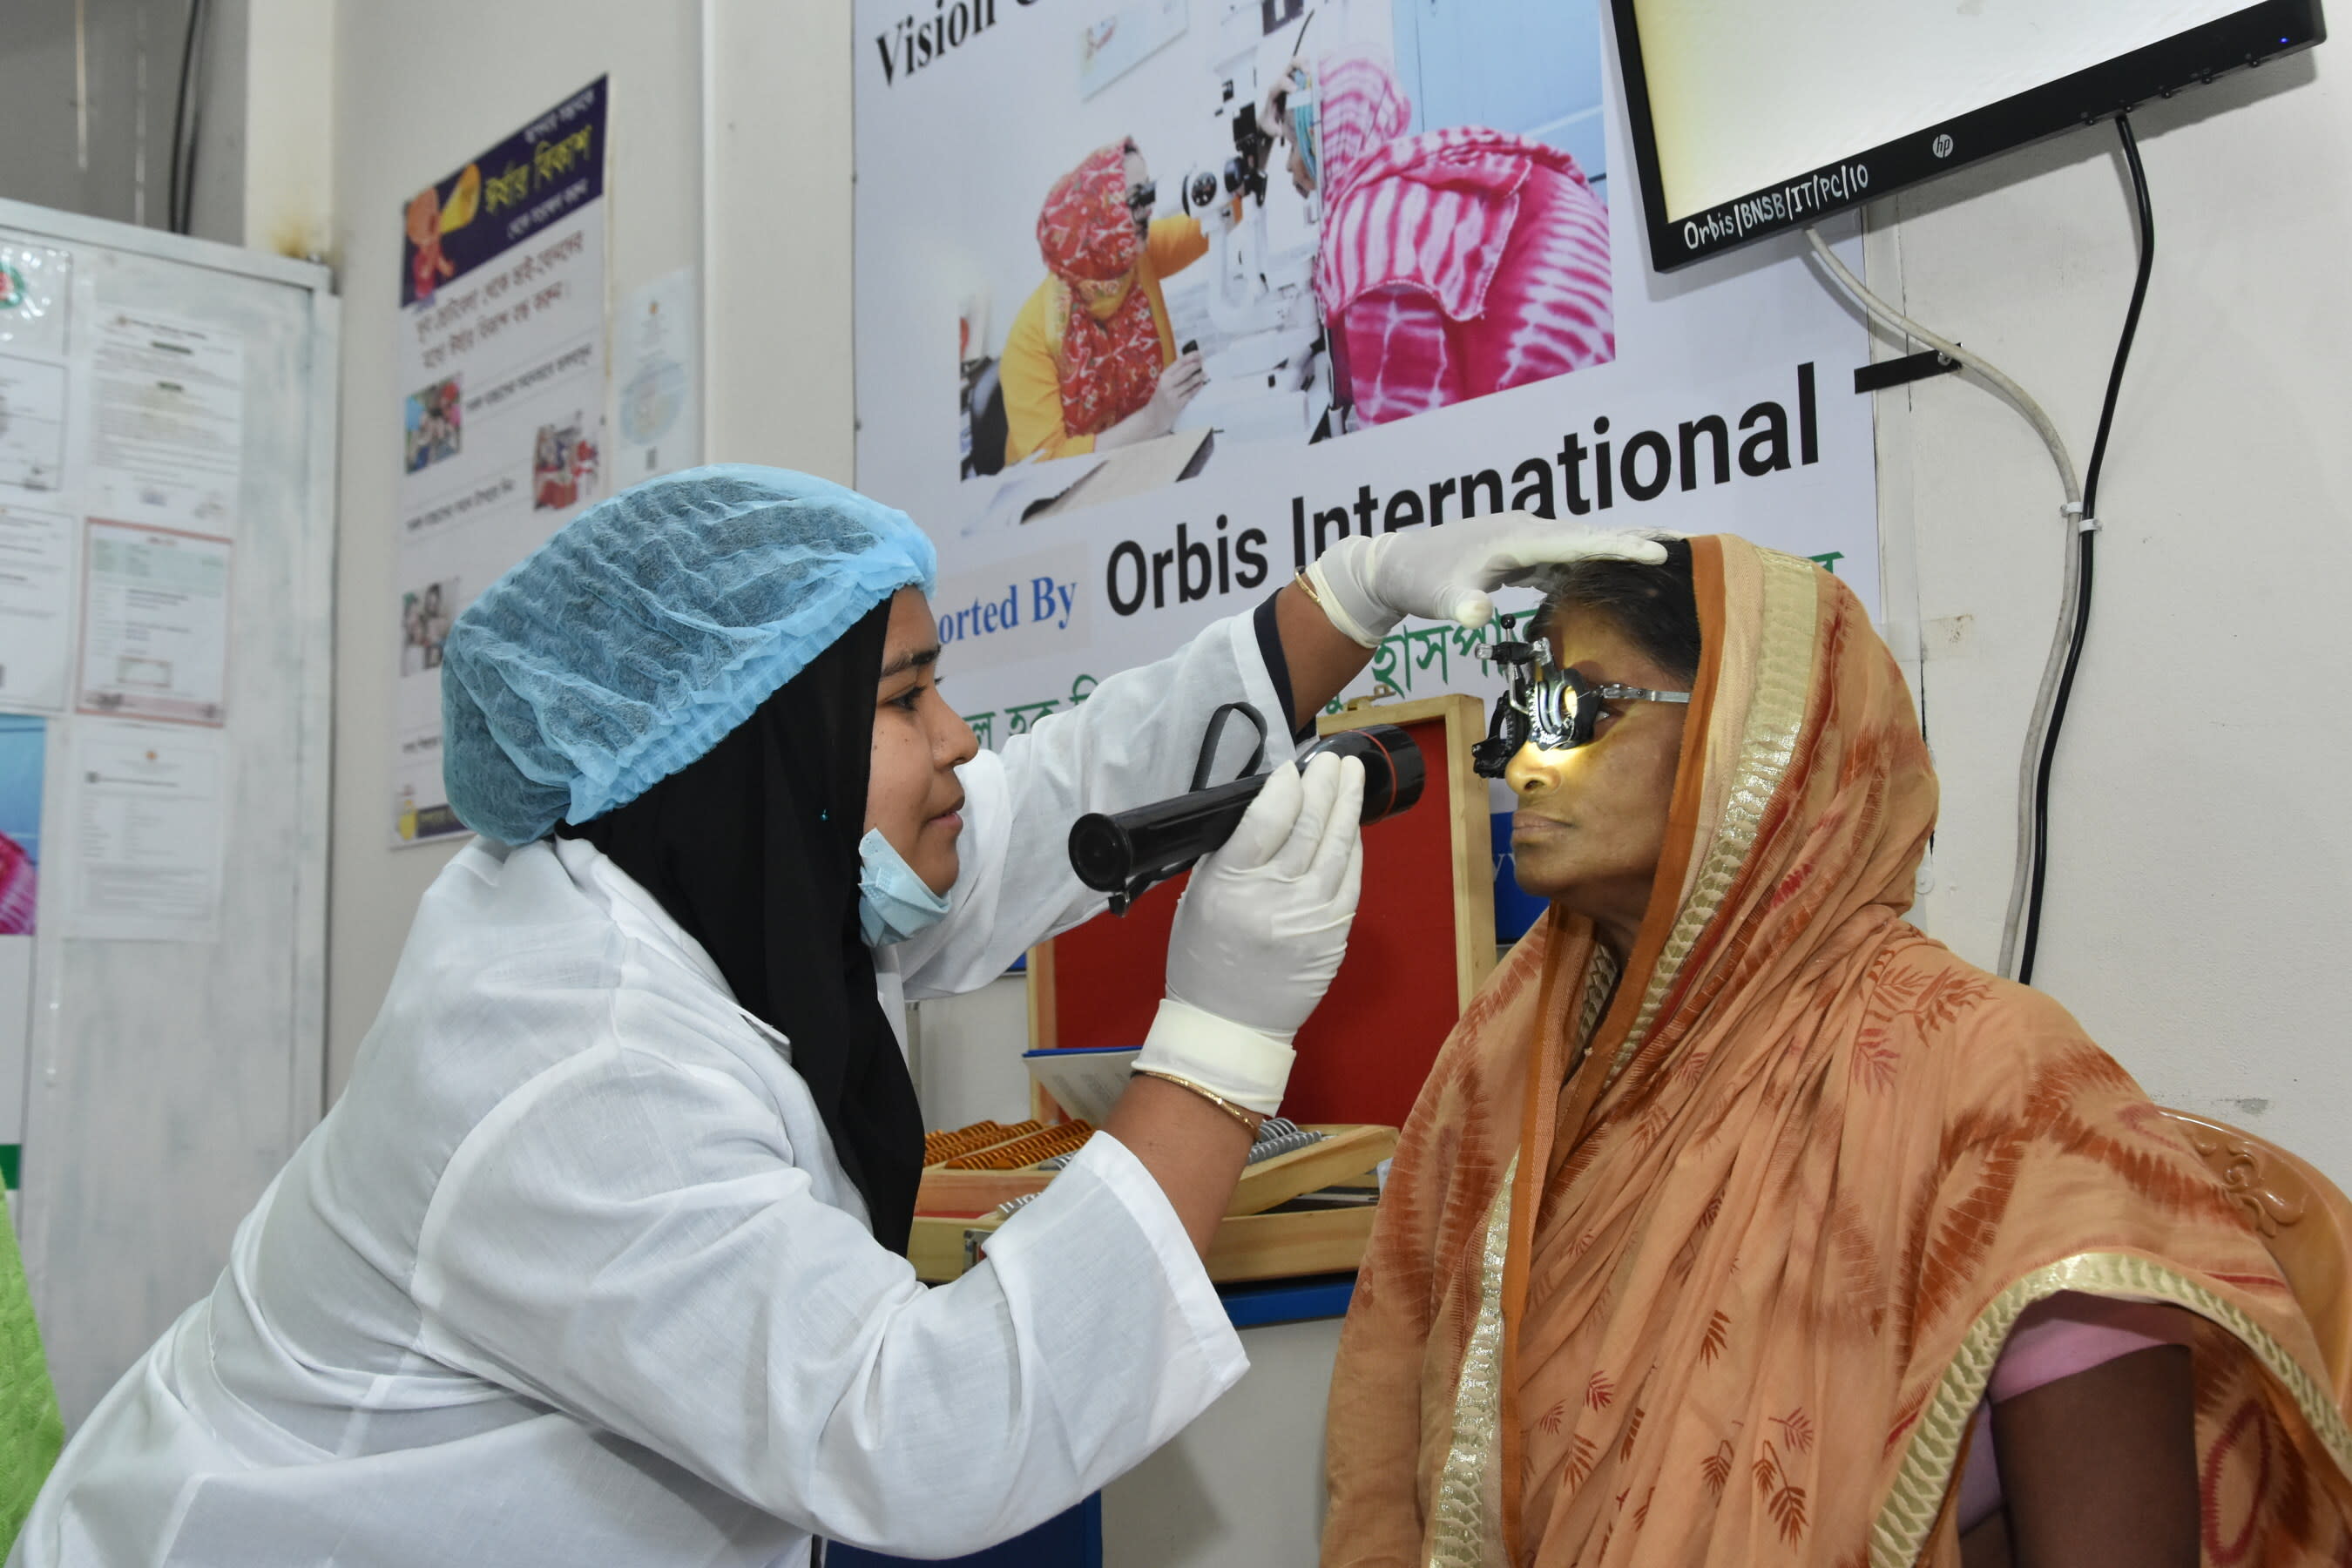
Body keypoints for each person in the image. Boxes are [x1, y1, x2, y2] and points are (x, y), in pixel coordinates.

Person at [14, 468, 1658, 1566]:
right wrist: (1223, 1040)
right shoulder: (573, 1065)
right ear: (752, 752)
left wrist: (1348, 599)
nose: (960, 738)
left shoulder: (734, 889)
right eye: (902, 700)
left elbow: (1042, 800)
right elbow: (933, 1432)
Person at [1321, 536, 2352, 1566]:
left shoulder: (1988, 1073)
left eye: (1578, 711)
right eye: (1521, 715)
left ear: (1758, 734)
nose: (1525, 763)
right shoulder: (1505, 1060)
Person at [1267, 49, 1612, 428]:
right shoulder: (1408, 178)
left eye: (1292, 143)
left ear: (1320, 137)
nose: (1288, 165)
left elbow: (1410, 436)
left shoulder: (1364, 230)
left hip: (1581, 400)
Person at [1000, 139, 1208, 464]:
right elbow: (1046, 464)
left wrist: (1255, 149)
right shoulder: (1030, 337)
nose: (1148, 210)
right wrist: (1153, 417)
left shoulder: (1137, 258)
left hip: (1145, 457)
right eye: (1134, 199)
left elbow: (1210, 217)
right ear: (1095, 221)